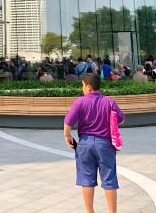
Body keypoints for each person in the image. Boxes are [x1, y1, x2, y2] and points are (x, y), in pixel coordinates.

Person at [63, 72, 124, 213]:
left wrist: (67, 135)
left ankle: (90, 211)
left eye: (83, 85)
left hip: (85, 144)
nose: (82, 88)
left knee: (87, 179)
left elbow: (68, 122)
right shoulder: (109, 101)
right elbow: (121, 119)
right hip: (105, 144)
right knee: (109, 179)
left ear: (88, 86)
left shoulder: (80, 101)